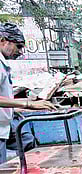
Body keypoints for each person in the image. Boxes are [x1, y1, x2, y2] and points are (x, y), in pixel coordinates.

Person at [0, 23, 56, 163]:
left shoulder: (3, 65)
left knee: (27, 141)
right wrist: (28, 104)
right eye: (18, 46)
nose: (20, 52)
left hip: (6, 124)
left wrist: (16, 108)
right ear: (3, 41)